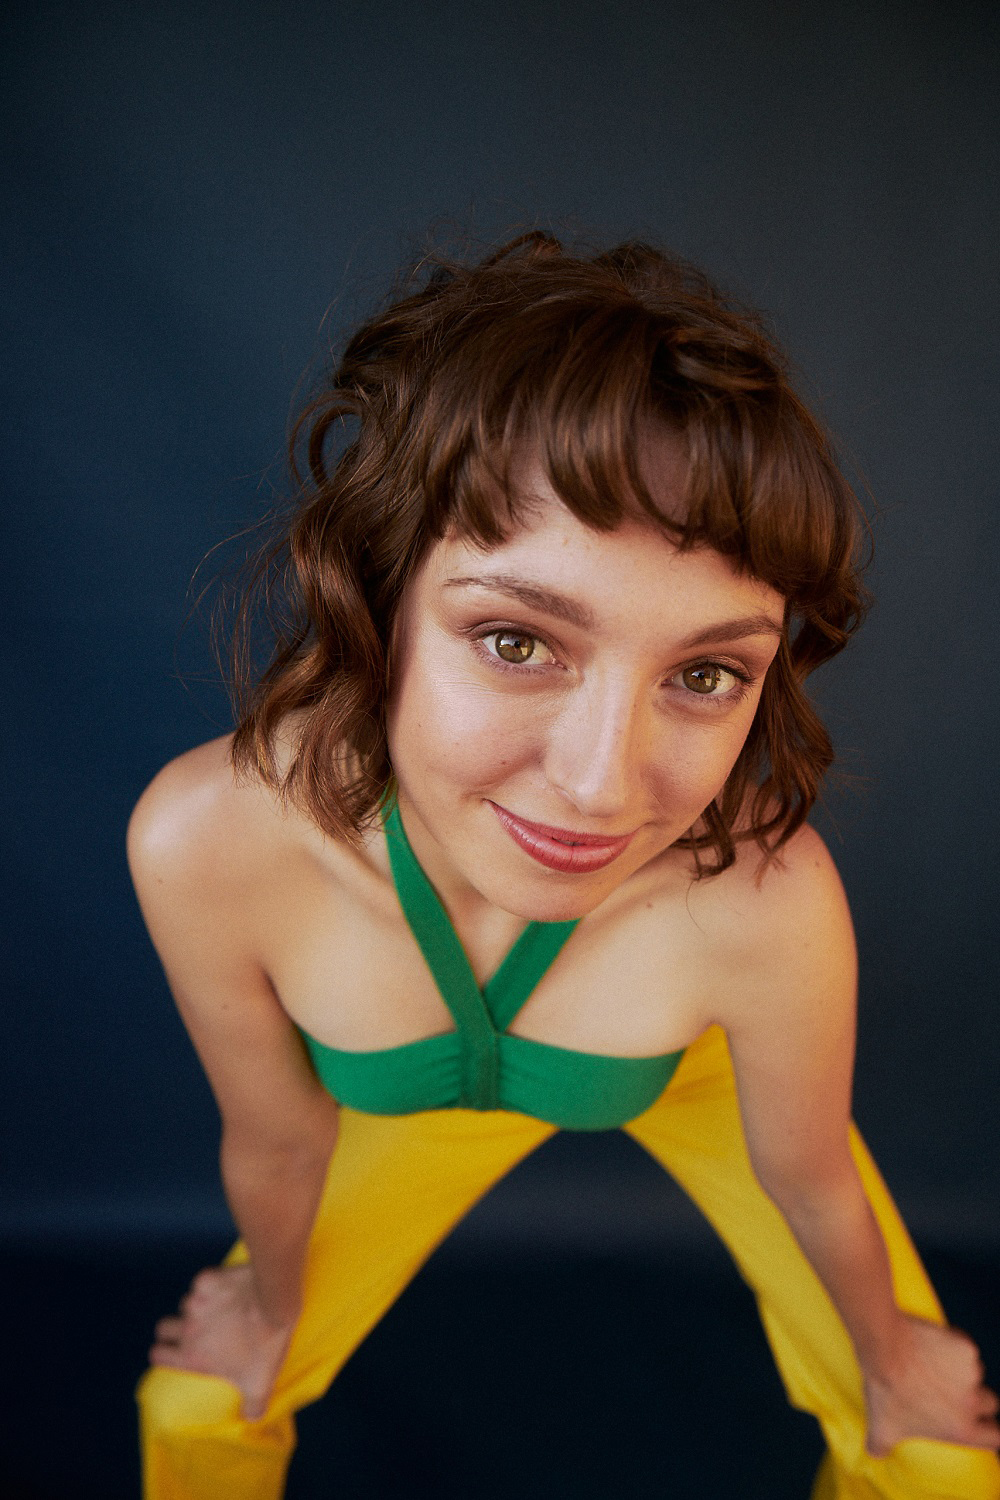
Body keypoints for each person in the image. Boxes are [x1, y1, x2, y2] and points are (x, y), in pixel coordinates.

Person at [127, 233, 1000, 1500]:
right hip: (386, 1123)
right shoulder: (208, 840)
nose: (602, 787)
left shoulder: (758, 902)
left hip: (699, 1078)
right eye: (515, 640)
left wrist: (892, 1357)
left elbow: (807, 1179)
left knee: (937, 1462)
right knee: (199, 1403)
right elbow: (275, 1142)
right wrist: (266, 1304)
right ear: (376, 597)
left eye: (707, 674)